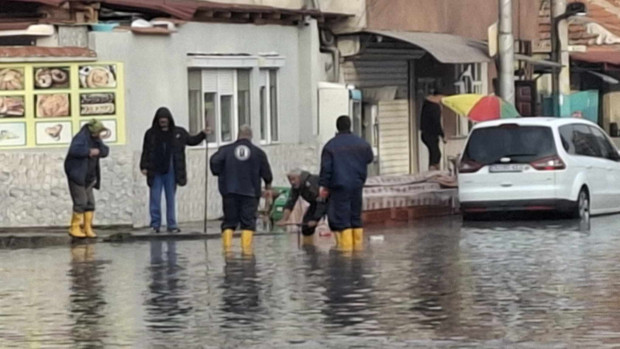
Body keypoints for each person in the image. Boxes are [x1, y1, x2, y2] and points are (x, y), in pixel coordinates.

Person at [140, 107, 209, 233]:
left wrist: (203, 134)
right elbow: (145, 151)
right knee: (154, 198)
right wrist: (143, 166)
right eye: (161, 120)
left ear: (169, 120)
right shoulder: (151, 134)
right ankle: (155, 224)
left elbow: (192, 141)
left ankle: (172, 224)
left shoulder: (178, 133)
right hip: (155, 170)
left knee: (171, 198)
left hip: (172, 170)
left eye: (165, 120)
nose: (163, 122)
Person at [210, 125, 273, 253]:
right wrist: (268, 185)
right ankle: (247, 253)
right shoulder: (258, 152)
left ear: (238, 135)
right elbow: (266, 173)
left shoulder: (225, 150)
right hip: (250, 193)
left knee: (229, 222)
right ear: (251, 136)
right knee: (248, 222)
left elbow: (214, 162)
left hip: (229, 191)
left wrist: (218, 172)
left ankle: (227, 252)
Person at [320, 115, 373, 251]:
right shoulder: (362, 143)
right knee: (356, 216)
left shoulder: (330, 146)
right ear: (350, 126)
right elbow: (369, 158)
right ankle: (358, 250)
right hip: (357, 184)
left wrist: (324, 186)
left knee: (342, 218)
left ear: (337, 127)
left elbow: (326, 169)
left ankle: (346, 253)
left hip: (339, 186)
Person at [65, 119, 110, 238]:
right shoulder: (80, 138)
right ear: (93, 131)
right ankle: (74, 227)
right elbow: (74, 150)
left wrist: (99, 150)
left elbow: (105, 151)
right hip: (78, 175)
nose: (99, 135)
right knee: (81, 202)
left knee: (90, 203)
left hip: (89, 177)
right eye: (98, 132)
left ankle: (87, 227)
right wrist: (89, 151)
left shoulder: (96, 139)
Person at [276, 169, 327, 245]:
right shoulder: (296, 187)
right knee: (306, 227)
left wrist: (315, 219)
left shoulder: (311, 182)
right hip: (315, 203)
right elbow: (291, 202)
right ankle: (309, 247)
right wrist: (284, 219)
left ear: (299, 177)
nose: (292, 182)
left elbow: (321, 200)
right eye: (290, 180)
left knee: (336, 224)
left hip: (328, 201)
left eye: (293, 179)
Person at [420, 91, 446, 171]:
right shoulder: (434, 107)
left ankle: (432, 170)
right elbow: (436, 123)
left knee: (433, 153)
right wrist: (442, 135)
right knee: (436, 154)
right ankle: (433, 172)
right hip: (431, 134)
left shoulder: (426, 104)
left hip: (425, 133)